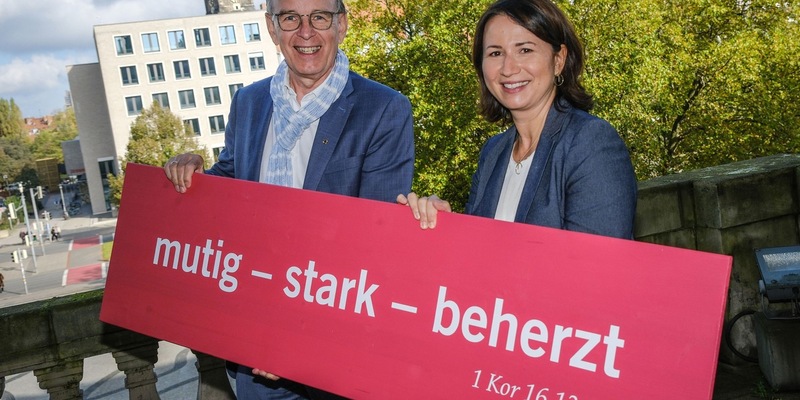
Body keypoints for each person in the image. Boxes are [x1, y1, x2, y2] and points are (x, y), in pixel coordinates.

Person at [163, 0, 414, 398]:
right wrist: (193, 176)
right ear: (271, 27)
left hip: (332, 354)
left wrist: (293, 338)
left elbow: (377, 240)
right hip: (251, 353)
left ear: (341, 24)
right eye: (290, 18)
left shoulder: (383, 109)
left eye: (319, 17)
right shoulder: (248, 104)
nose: (306, 31)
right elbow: (229, 190)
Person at [399, 0, 636, 239]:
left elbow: (598, 268)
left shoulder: (590, 143)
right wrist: (443, 223)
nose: (508, 68)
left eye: (525, 50)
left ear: (558, 60)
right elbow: (478, 257)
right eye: (495, 53)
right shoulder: (493, 152)